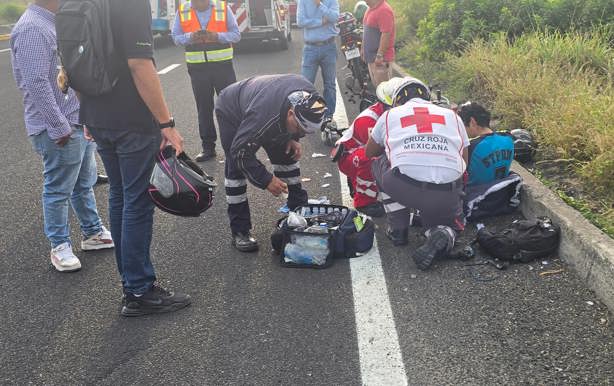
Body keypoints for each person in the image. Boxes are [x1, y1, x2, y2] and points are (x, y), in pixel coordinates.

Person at [79, 0, 190, 316]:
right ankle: (140, 290)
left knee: (119, 196)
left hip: (97, 113)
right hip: (130, 119)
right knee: (137, 201)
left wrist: (87, 112)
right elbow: (139, 64)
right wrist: (166, 124)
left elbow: (73, 61)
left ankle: (131, 283)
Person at [10, 0, 114, 273]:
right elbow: (36, 83)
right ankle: (59, 246)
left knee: (83, 183)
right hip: (58, 126)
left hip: (75, 119)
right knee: (58, 189)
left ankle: (93, 233)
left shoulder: (52, 21)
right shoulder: (32, 27)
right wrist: (58, 126)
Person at [366, 77, 469, 270]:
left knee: (378, 162)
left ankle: (398, 227)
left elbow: (369, 152)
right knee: (448, 226)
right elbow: (464, 160)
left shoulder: (389, 115)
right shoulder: (452, 116)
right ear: (428, 98)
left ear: (396, 101)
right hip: (447, 190)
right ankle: (441, 232)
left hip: (404, 186)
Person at [215, 74, 327, 252]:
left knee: (286, 154)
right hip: (232, 109)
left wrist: (294, 136)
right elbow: (240, 153)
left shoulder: (313, 99)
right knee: (235, 167)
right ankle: (240, 230)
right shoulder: (264, 119)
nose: (303, 134)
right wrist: (266, 180)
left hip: (267, 100)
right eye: (300, 129)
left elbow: (299, 124)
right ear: (291, 114)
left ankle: (298, 209)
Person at [171, 0, 241, 162]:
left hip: (223, 67)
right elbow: (176, 37)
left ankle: (235, 145)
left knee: (230, 106)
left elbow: (236, 34)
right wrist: (191, 37)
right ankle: (208, 147)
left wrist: (216, 36)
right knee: (204, 107)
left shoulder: (223, 8)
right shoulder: (183, 10)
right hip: (198, 69)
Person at [335, 77, 406, 216]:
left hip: (364, 152)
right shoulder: (369, 119)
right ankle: (364, 202)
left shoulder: (390, 114)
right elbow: (377, 150)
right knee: (373, 158)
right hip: (350, 156)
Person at [296, 0, 339, 128]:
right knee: (305, 85)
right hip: (310, 48)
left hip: (329, 46)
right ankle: (307, 115)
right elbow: (300, 22)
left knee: (330, 84)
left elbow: (334, 17)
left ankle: (328, 116)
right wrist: (321, 21)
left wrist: (320, 5)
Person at [457, 102, 514, 186]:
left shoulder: (471, 147)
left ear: (472, 122)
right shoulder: (508, 139)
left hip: (475, 196)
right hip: (502, 193)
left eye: (462, 126)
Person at [362, 0, 395, 87]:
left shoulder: (384, 10)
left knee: (384, 92)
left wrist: (380, 56)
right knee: (378, 88)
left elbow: (386, 34)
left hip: (380, 60)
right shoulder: (370, 9)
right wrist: (362, 49)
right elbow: (366, 31)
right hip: (372, 58)